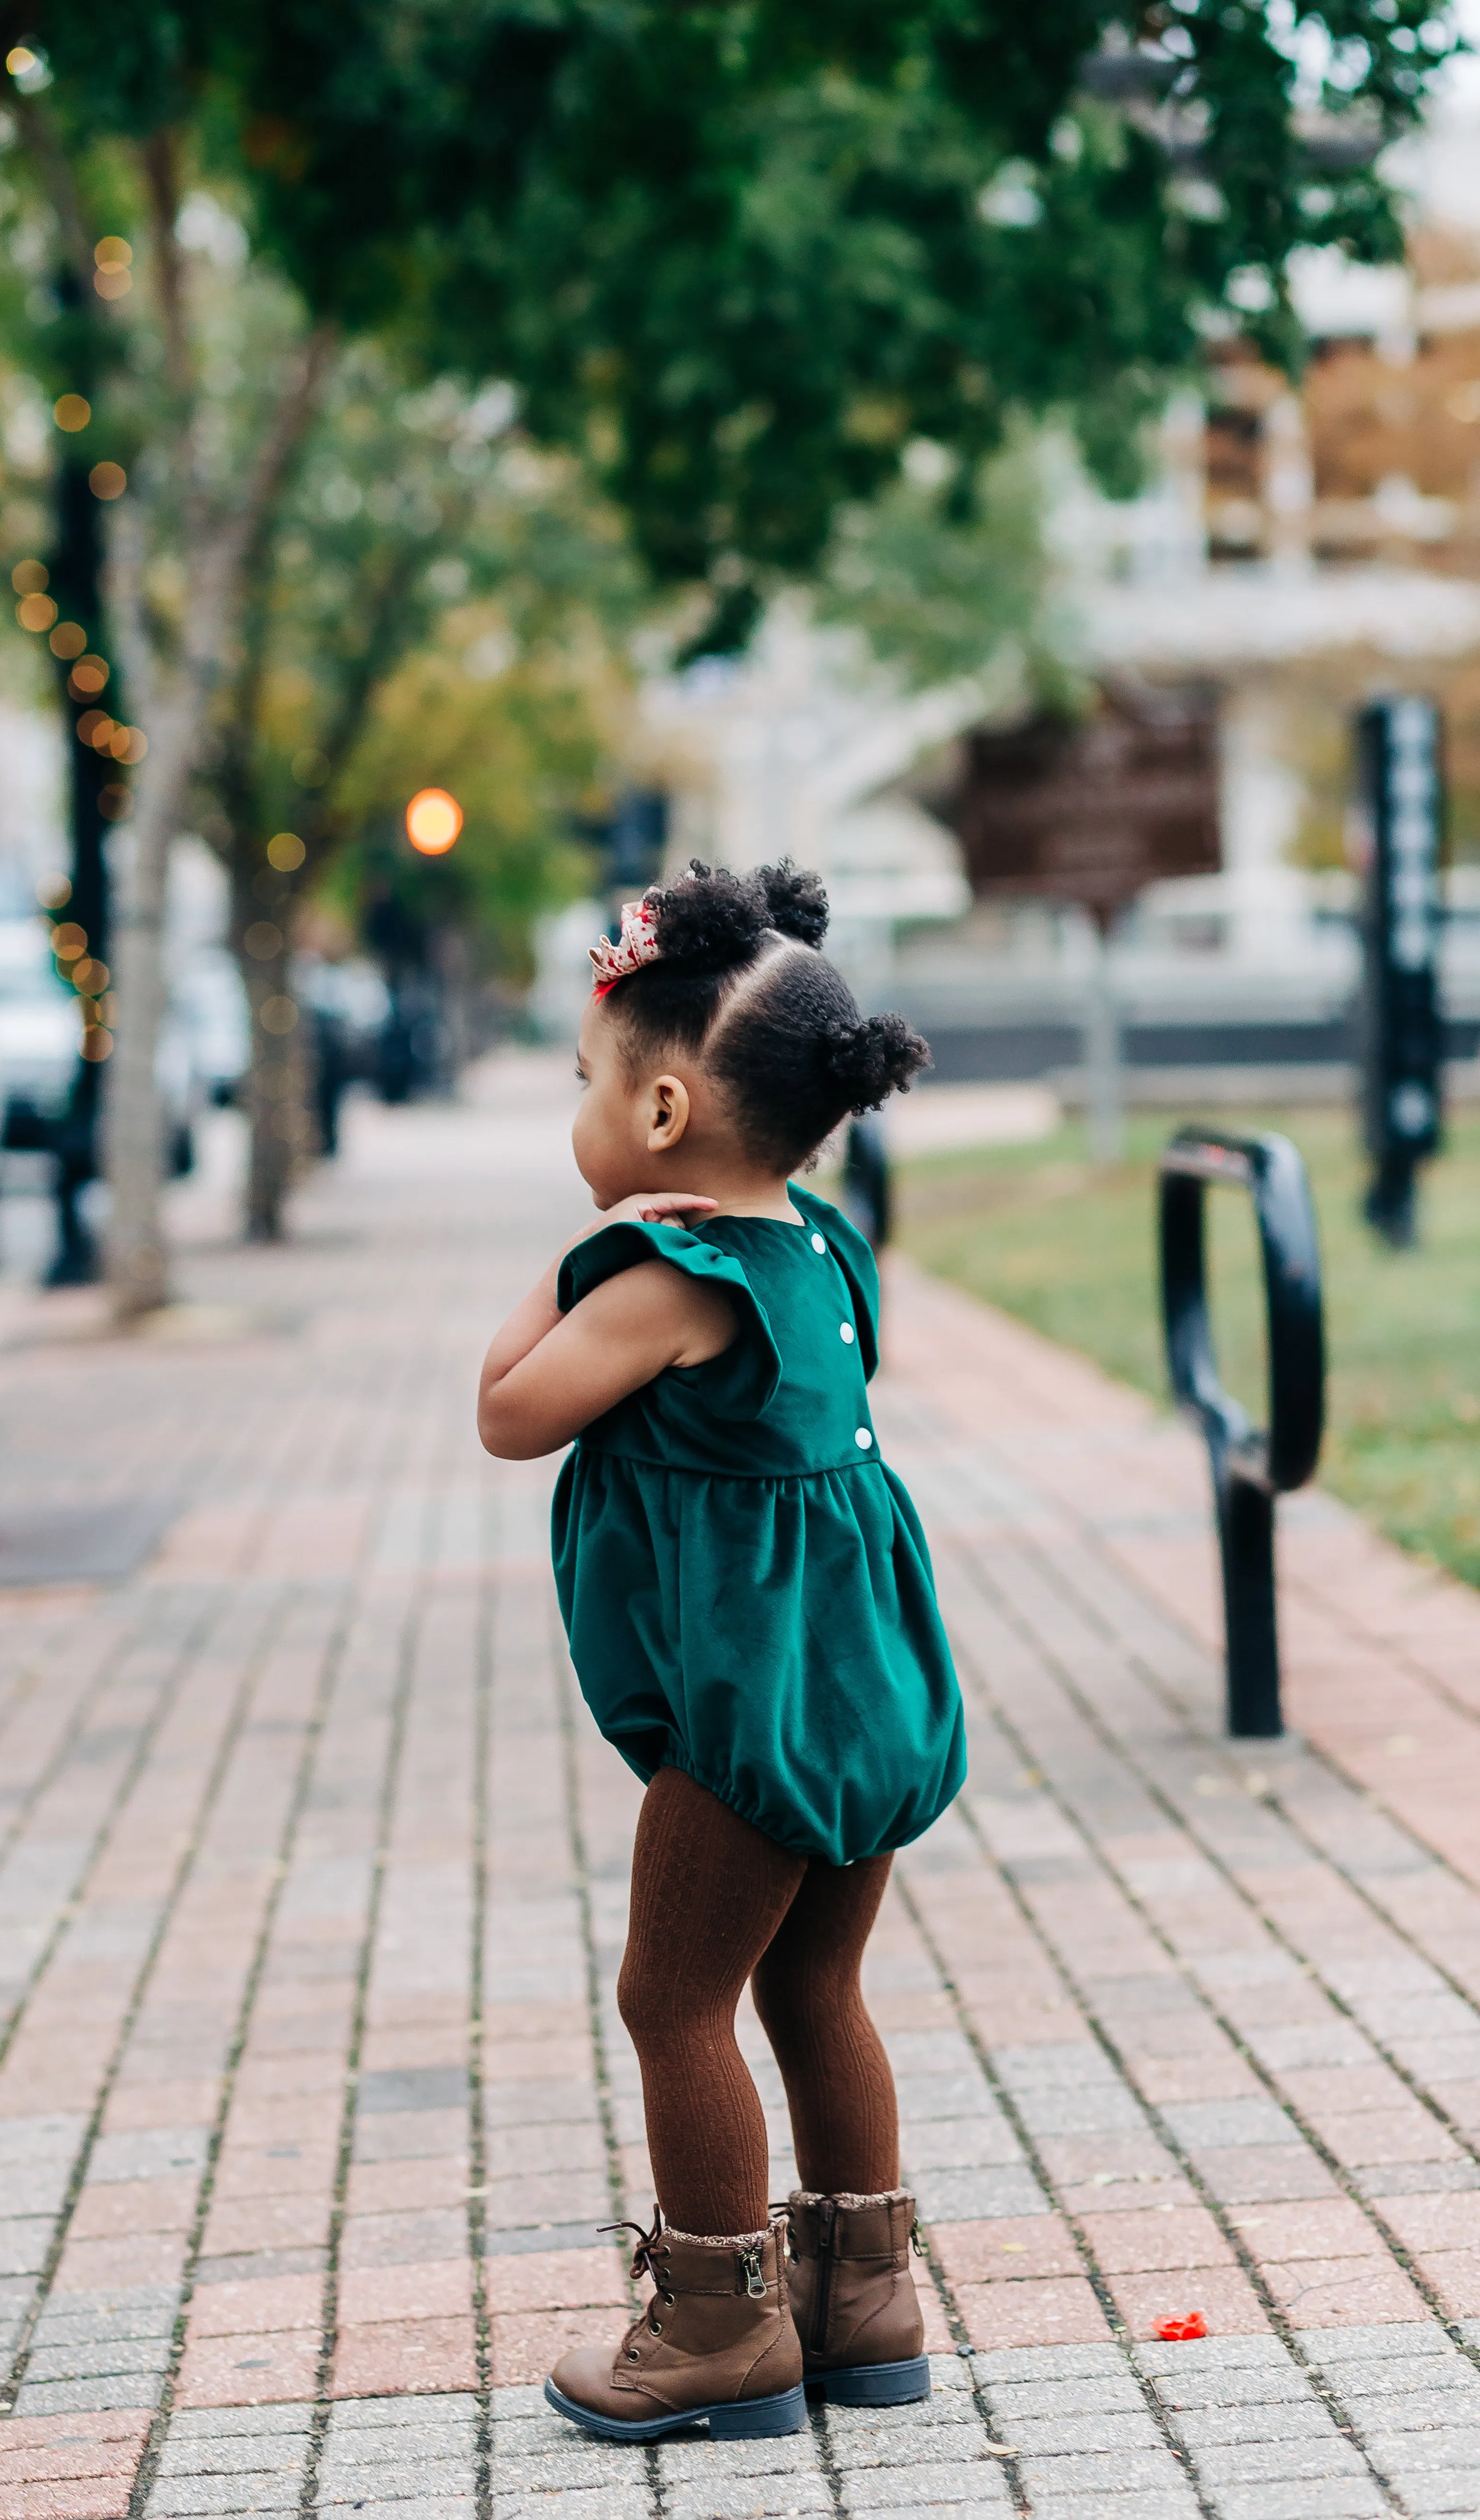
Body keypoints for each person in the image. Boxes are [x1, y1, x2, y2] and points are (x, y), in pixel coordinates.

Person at [478, 859, 966, 2445]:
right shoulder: (819, 1256)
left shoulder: (655, 1282)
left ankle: (713, 2329)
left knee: (670, 2001)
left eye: (587, 1084)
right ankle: (864, 2301)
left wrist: (575, 1256)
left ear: (666, 1112)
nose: (580, 1118)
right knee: (815, 1982)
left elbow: (506, 1414)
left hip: (750, 1719)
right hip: (865, 1688)